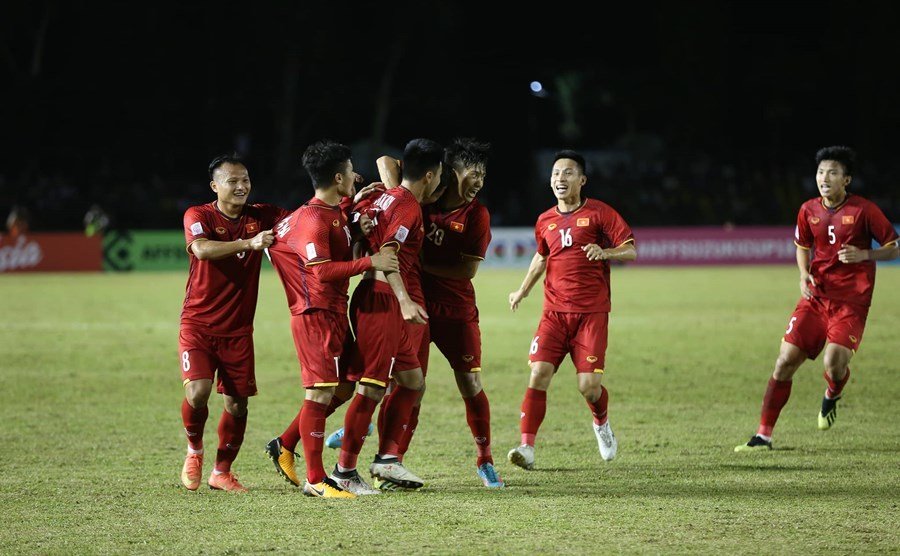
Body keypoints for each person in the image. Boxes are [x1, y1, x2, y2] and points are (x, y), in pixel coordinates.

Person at [355, 139, 503, 488]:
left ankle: (485, 459)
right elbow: (385, 158)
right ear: (451, 173)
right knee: (409, 385)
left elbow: (466, 272)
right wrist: (398, 197)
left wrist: (421, 262)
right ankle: (391, 461)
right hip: (414, 306)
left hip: (455, 309)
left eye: (483, 174)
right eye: (473, 173)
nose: (479, 182)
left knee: (470, 383)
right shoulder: (424, 198)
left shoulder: (476, 215)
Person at [735, 146, 899, 451]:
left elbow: (893, 246)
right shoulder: (808, 209)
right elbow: (802, 245)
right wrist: (802, 274)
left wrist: (866, 253)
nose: (825, 177)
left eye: (833, 172)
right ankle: (763, 435)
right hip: (816, 298)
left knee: (834, 363)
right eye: (821, 172)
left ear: (846, 180)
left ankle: (832, 393)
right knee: (784, 362)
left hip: (851, 302)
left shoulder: (864, 210)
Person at [263, 140, 399, 498]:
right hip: (315, 314)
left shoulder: (334, 210)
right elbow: (322, 273)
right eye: (352, 170)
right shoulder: (313, 220)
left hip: (335, 312)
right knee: (320, 392)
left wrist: (356, 211)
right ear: (338, 177)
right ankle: (316, 479)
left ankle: (284, 444)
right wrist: (372, 262)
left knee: (343, 386)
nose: (357, 175)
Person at [507, 150, 636, 469]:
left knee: (588, 387)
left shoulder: (600, 213)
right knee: (538, 374)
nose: (559, 179)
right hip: (553, 314)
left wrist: (605, 252)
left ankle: (602, 424)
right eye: (554, 174)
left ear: (582, 180)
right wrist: (522, 290)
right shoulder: (544, 220)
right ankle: (527, 448)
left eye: (567, 173)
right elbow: (541, 257)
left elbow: (630, 251)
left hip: (591, 315)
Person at [329, 138, 443, 493]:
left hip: (378, 297)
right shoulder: (407, 206)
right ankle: (344, 472)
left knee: (412, 381)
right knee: (372, 387)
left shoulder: (382, 197)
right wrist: (406, 301)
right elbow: (389, 254)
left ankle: (387, 460)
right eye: (439, 175)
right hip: (382, 300)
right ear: (430, 175)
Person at [178, 154, 288, 492]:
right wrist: (249, 243)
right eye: (232, 181)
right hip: (198, 322)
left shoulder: (262, 215)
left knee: (237, 403)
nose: (241, 186)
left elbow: (303, 219)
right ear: (215, 186)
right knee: (198, 392)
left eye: (245, 180)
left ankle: (221, 472)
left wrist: (350, 202)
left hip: (239, 330)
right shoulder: (199, 214)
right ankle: (194, 451)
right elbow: (201, 249)